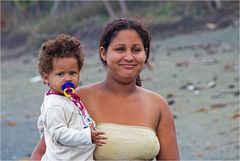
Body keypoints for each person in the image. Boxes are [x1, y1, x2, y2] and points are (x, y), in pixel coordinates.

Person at [31, 18, 180, 160]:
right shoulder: (76, 100)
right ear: (103, 53)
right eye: (120, 49)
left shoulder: (158, 105)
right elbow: (41, 154)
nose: (129, 57)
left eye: (136, 50)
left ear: (145, 53)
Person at [35, 34, 106, 161]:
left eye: (73, 73)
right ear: (46, 78)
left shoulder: (69, 97)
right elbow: (58, 133)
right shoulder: (54, 104)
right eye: (60, 74)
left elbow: (43, 123)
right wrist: (87, 136)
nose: (68, 78)